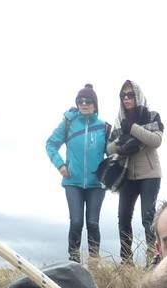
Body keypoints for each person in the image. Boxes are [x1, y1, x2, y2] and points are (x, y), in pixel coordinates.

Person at [45, 84, 110, 261]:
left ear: (95, 104)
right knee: (76, 222)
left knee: (93, 223)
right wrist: (60, 165)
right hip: (72, 181)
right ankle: (73, 262)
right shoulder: (68, 123)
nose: (84, 104)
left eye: (88, 101)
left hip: (97, 184)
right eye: (80, 101)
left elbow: (112, 153)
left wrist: (110, 173)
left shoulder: (104, 127)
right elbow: (50, 144)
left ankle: (94, 263)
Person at [109, 80, 163, 264]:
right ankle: (126, 261)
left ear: (138, 96)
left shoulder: (152, 116)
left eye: (130, 94)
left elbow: (155, 141)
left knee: (148, 217)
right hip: (126, 176)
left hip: (150, 175)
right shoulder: (119, 121)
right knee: (123, 218)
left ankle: (153, 258)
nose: (126, 98)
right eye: (123, 95)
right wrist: (122, 143)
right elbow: (108, 149)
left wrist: (132, 128)